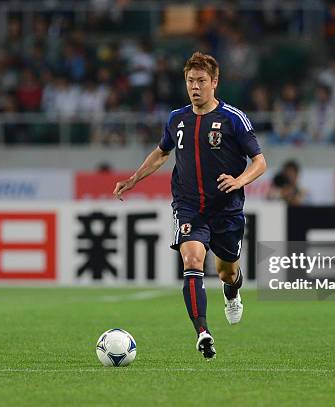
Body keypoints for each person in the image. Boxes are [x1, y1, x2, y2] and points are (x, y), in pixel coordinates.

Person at [113, 52, 267, 359]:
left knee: (226, 272)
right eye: (189, 81)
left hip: (226, 209)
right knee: (193, 260)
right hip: (188, 206)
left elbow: (260, 162)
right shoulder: (176, 119)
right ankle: (203, 333)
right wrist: (133, 179)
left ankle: (233, 291)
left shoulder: (233, 119)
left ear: (214, 82)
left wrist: (239, 181)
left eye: (201, 81)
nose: (194, 87)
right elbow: (160, 153)